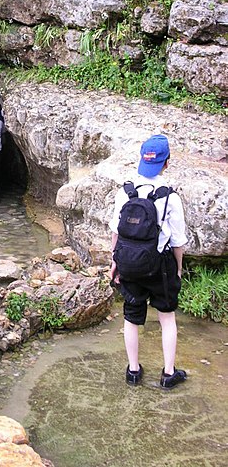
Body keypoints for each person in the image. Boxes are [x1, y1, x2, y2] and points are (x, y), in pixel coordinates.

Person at [109, 134, 188, 389]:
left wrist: (115, 261)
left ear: (142, 160)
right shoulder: (170, 197)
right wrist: (177, 268)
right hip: (160, 266)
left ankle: (133, 371)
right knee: (166, 318)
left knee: (131, 317)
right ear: (166, 163)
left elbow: (116, 231)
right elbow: (178, 241)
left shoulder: (126, 193)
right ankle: (168, 373)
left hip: (129, 263)